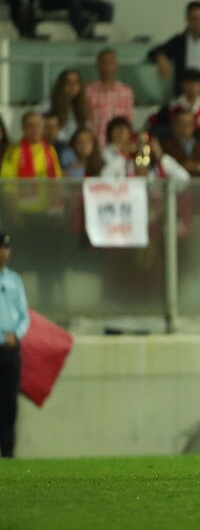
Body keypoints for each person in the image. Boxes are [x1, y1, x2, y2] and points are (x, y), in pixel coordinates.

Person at [147, 1, 200, 103]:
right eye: (194, 18)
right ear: (187, 20)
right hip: (190, 97)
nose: (199, 22)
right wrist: (160, 57)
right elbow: (154, 51)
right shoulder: (180, 41)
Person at [0, 234, 28, 459]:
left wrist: (16, 335)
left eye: (6, 248)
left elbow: (24, 315)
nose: (4, 253)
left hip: (10, 352)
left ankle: (8, 452)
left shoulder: (14, 281)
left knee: (10, 402)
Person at [85, 49, 135, 147]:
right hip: (95, 147)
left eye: (111, 62)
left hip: (119, 147)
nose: (107, 66)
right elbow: (85, 122)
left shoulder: (126, 91)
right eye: (104, 62)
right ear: (98, 65)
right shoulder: (88, 91)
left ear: (117, 65)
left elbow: (129, 122)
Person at [0, 112, 62, 178]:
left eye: (38, 125)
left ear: (43, 128)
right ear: (23, 128)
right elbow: (6, 179)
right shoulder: (14, 151)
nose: (35, 129)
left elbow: (57, 177)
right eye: (30, 125)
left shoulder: (50, 150)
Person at [160, 111, 200, 178]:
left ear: (194, 126)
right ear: (174, 125)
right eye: (182, 123)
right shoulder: (166, 146)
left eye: (189, 123)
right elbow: (175, 168)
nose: (186, 127)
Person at [46, 69, 90, 143]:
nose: (72, 86)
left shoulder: (82, 105)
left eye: (76, 83)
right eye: (68, 82)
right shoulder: (50, 103)